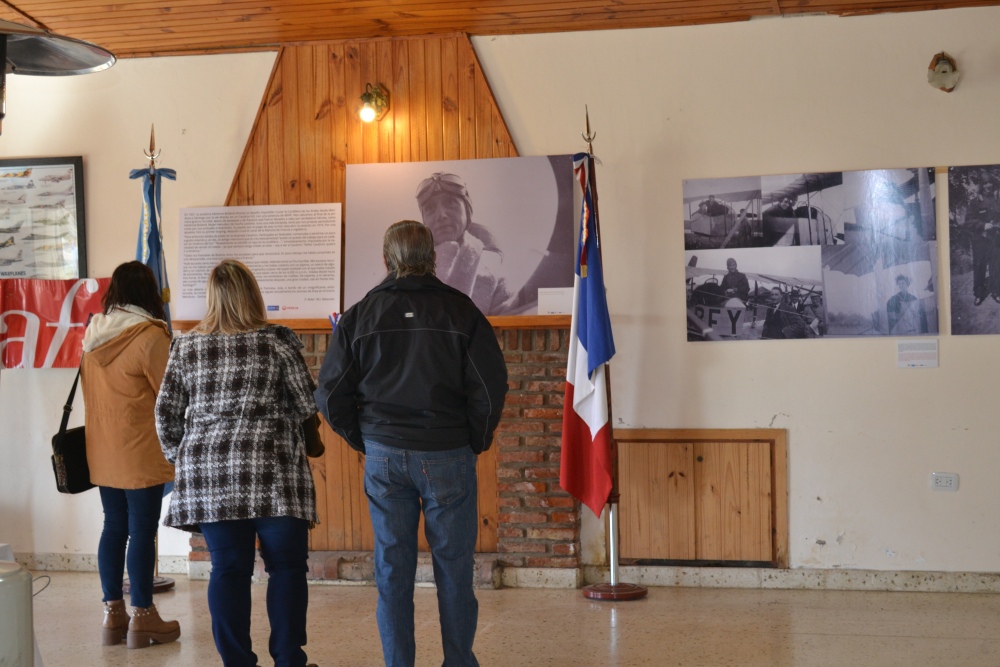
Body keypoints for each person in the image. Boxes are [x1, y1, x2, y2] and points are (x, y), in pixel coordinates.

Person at [315, 220, 508, 667]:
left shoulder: (359, 315)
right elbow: (490, 385)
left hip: (384, 456)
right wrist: (474, 441)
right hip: (448, 454)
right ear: (433, 256)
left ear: (387, 259)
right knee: (455, 569)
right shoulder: (463, 312)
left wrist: (364, 439)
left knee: (391, 571)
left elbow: (329, 394)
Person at [155, 260, 318, 667]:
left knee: (228, 569)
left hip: (210, 476)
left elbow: (165, 415)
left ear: (212, 298)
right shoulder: (278, 343)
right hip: (274, 472)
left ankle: (238, 662)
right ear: (254, 295)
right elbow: (305, 404)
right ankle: (288, 659)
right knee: (287, 568)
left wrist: (187, 458)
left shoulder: (186, 346)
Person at [81, 261, 180, 649]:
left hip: (102, 449)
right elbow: (171, 398)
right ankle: (143, 616)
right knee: (142, 530)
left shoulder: (93, 334)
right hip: (139, 449)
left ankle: (113, 615)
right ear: (149, 293)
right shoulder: (151, 337)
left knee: (113, 527)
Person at [416, 171, 515, 315]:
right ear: (424, 222)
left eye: (450, 203)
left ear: (467, 211)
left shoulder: (493, 269)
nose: (441, 215)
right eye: (430, 209)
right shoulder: (405, 272)